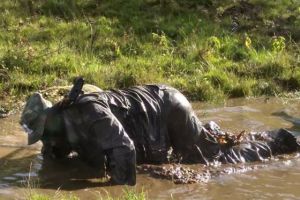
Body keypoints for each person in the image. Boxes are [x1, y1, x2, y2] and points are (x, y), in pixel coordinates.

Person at [20, 82, 300, 185]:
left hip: (168, 106)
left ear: (53, 119)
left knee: (209, 158)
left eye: (44, 134)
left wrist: (114, 188)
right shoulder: (60, 128)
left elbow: (125, 150)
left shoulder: (88, 113)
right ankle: (216, 133)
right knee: (207, 144)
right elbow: (55, 155)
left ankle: (279, 142)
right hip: (157, 104)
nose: (44, 141)